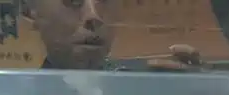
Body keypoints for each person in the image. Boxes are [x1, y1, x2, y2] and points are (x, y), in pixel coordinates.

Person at [22, 0, 202, 70]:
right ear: (32, 13)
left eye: (105, 1)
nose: (93, 16)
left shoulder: (141, 87)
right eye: (73, 1)